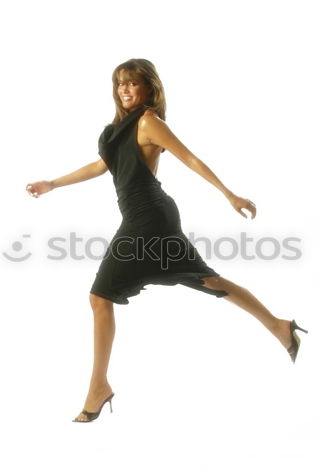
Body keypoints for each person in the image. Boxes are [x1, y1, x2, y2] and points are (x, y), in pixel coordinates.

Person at [26, 58, 308, 423]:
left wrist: (229, 194)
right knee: (208, 280)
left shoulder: (149, 122)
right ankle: (279, 326)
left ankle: (98, 387)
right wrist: (53, 183)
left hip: (149, 219)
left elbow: (189, 157)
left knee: (100, 296)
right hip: (146, 218)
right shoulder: (116, 129)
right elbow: (101, 166)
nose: (124, 90)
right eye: (119, 84)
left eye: (132, 83)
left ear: (149, 89)